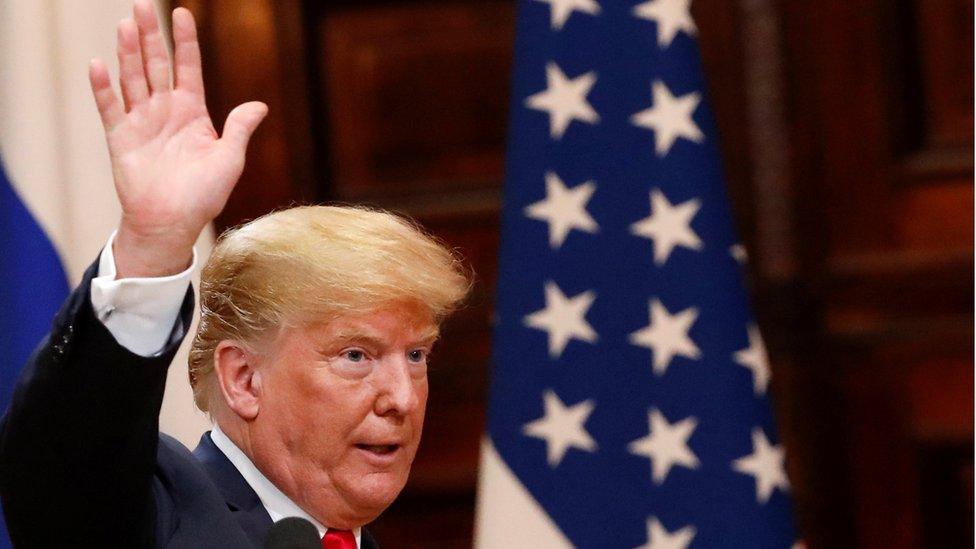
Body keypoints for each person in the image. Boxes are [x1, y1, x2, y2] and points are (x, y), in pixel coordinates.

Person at [0, 1, 470, 547]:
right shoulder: (155, 517)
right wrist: (151, 250)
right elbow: (65, 470)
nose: (403, 399)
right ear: (244, 379)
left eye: (415, 355)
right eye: (356, 356)